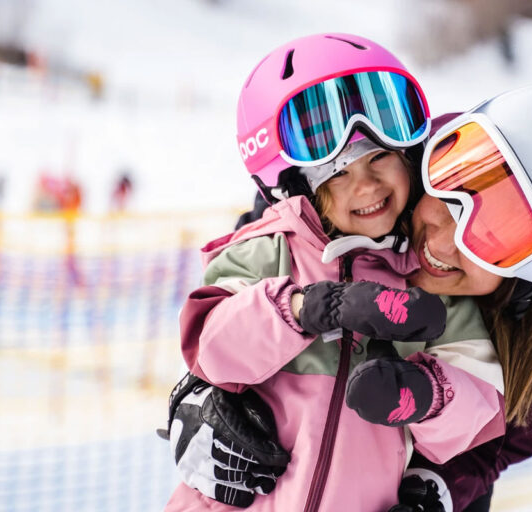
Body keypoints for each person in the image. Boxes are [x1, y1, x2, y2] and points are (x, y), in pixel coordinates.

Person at [162, 63, 532, 512]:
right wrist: (201, 390)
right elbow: (287, 218)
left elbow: (503, 441)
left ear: (530, 275)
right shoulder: (418, 152)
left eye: (493, 240)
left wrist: (435, 488)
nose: (439, 243)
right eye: (447, 196)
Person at [160, 33, 507, 512]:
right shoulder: (267, 252)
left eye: (380, 157)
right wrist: (303, 309)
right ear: (297, 185)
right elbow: (212, 347)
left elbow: (480, 407)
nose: (367, 184)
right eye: (338, 173)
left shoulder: (428, 280)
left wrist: (422, 394)